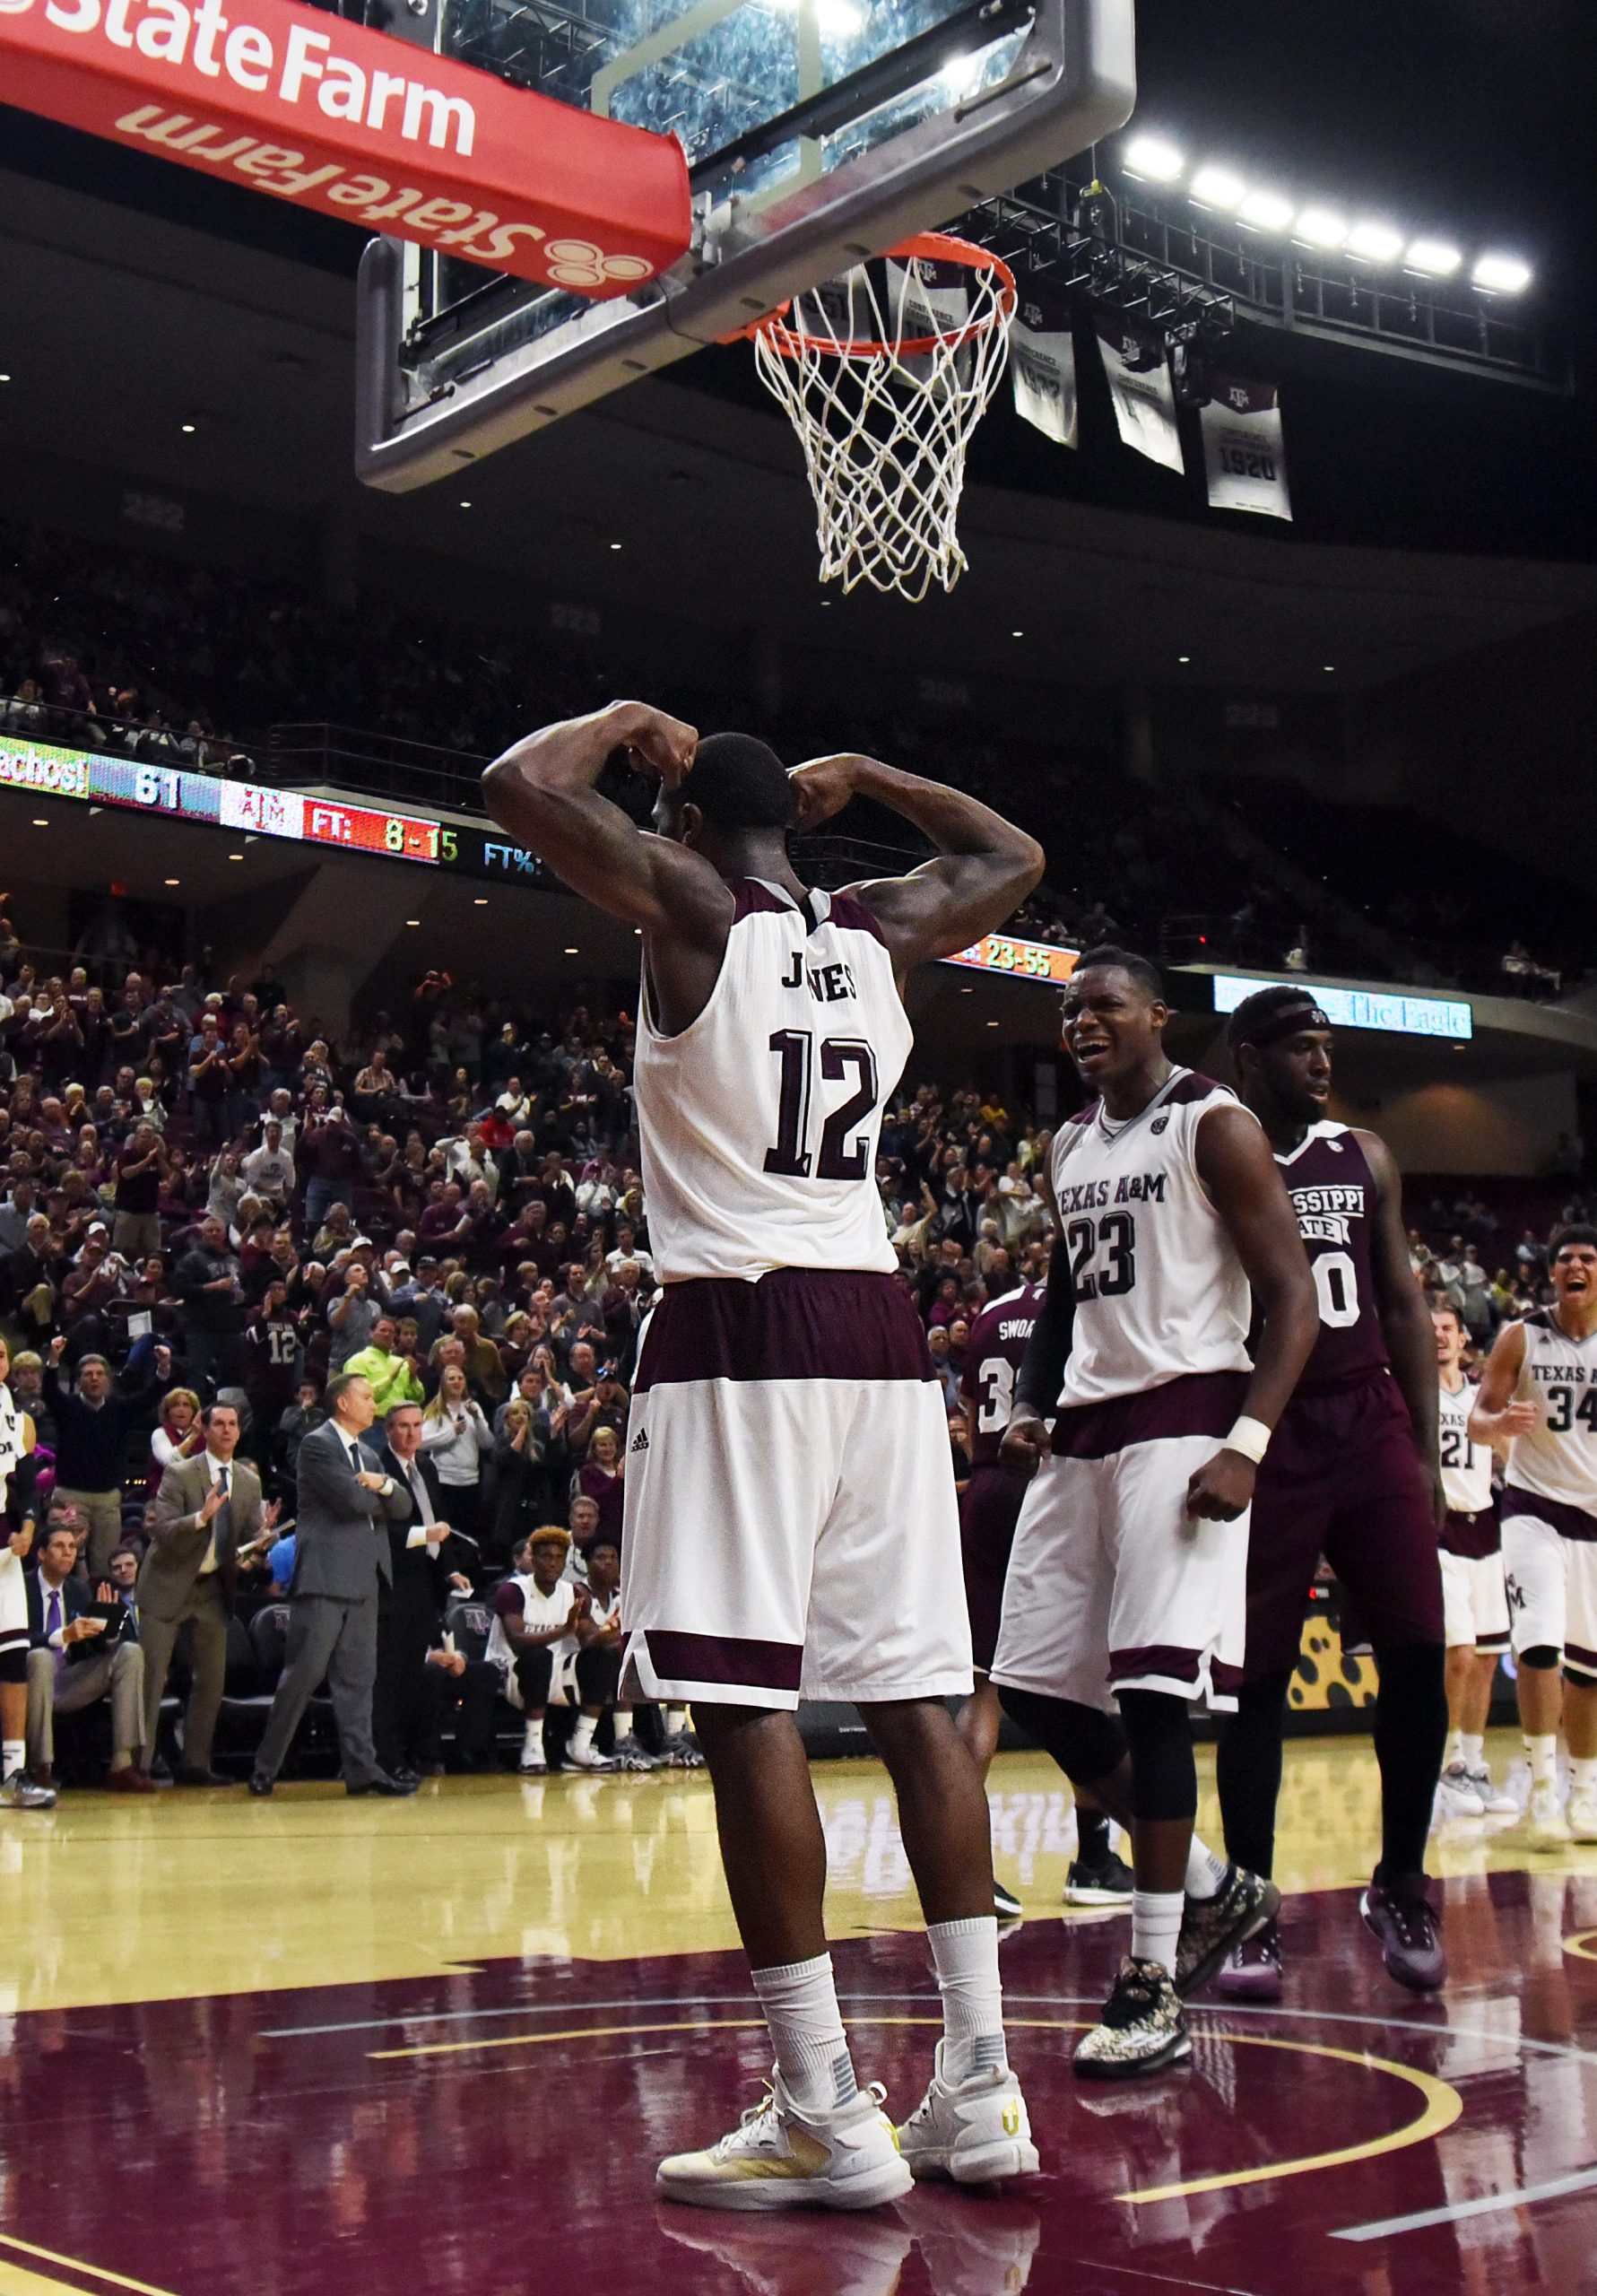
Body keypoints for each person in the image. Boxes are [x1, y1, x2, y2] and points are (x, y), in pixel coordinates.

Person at [486, 701, 1044, 2205]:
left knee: (744, 1708)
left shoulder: (689, 904)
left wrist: (623, 726)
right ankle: (979, 2091)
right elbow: (1010, 852)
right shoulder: (877, 931)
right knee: (923, 1699)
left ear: (680, 828)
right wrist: (868, 776)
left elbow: (517, 785)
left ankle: (819, 2104)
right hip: (880, 1332)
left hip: (741, 1329)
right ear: (792, 828)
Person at [991, 948, 1318, 2079]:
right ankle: (1208, 1886)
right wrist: (1030, 1398)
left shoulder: (1213, 1124)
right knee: (1034, 1685)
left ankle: (1149, 1977)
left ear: (1156, 1016)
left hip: (1186, 1418)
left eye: (1103, 1006)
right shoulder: (1068, 1143)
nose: (1081, 1022)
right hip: (1084, 1427)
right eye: (1068, 1009)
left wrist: (1248, 1442)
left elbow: (1292, 1298)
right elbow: (1067, 1289)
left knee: (1148, 1696)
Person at [1210, 987, 1449, 1999]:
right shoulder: (1212, 1152)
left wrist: (1428, 1455)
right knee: (1254, 1677)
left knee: (1416, 1650)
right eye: (1300, 1050)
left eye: (1325, 1048)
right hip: (1265, 1428)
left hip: (1366, 1418)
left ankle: (1398, 1878)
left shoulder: (1365, 1154)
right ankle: (1250, 1902)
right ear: (1247, 1059)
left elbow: (1398, 1299)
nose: (1320, 1065)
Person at [955, 1279, 1131, 1918]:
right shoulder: (1081, 1298)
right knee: (1088, 1687)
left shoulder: (990, 1312)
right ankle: (1093, 1859)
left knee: (983, 1689)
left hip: (987, 1485)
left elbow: (971, 1404)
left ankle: (963, 1872)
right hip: (1056, 1484)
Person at [1470, 1226, 1597, 1846]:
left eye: (1586, 1258)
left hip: (1592, 1519)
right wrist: (1501, 1421)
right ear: (1550, 1274)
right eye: (1564, 1259)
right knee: (1538, 1644)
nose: (1575, 1266)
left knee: (1587, 1669)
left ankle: (1585, 1791)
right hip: (1531, 1508)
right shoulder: (1519, 1335)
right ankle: (1542, 1789)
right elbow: (1476, 1421)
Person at [249, 1372, 417, 1797]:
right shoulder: (317, 1445)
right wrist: (378, 1494)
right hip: (325, 1579)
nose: (372, 1403)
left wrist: (382, 1485)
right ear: (342, 1403)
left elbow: (403, 1505)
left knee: (358, 1682)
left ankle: (362, 1771)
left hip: (364, 1581)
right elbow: (353, 1503)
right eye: (365, 1396)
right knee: (301, 1678)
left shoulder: (371, 1457)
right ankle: (265, 1768)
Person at [142, 1399, 276, 1786]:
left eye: (233, 1424)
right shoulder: (180, 1473)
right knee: (152, 1678)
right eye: (219, 1423)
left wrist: (262, 1540)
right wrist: (202, 1517)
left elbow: (248, 1542)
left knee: (212, 1680)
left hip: (212, 1589)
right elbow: (163, 1532)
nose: (228, 1430)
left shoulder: (249, 1482)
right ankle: (140, 1766)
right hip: (167, 1584)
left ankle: (194, 1765)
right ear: (205, 1428)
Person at [1431, 1302, 1517, 1819]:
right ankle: (1441, 1765)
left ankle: (1470, 1764)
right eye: (1431, 1331)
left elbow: (1507, 1453)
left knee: (1486, 1658)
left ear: (1464, 1339)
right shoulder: (1413, 1389)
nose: (1439, 1337)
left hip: (1485, 1523)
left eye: (1446, 1329)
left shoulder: (1484, 1398)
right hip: (1437, 1527)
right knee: (1458, 1653)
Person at [374, 1400, 473, 1781]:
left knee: (416, 1675)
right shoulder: (379, 1467)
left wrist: (450, 1569)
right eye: (403, 1426)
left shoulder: (427, 1466)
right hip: (391, 1582)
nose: (412, 1433)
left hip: (423, 1583)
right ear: (388, 1430)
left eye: (417, 1425)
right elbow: (379, 1529)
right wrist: (423, 1537)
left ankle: (416, 1753)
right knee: (391, 1675)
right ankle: (387, 1755)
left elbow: (437, 1520)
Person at [25, 1523, 152, 1793]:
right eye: (59, 1546)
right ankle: (40, 1767)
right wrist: (62, 1635)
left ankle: (122, 1765)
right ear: (41, 1554)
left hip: (72, 1680)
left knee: (130, 1652)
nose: (68, 1553)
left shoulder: (80, 1590)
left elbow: (92, 1648)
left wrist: (108, 1630)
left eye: (72, 1547)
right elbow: (15, 1639)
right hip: (28, 1682)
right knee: (40, 1657)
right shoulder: (19, 1588)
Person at [43, 1340, 154, 1573]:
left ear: (108, 1380)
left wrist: (163, 1370)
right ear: (79, 1380)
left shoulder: (119, 1408)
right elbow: (50, 1392)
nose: (94, 1378)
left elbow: (149, 1398)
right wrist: (54, 1359)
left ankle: (103, 1607)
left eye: (99, 1373)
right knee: (66, 1561)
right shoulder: (67, 1407)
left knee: (106, 1566)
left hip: (107, 1500)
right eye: (87, 1374)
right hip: (72, 1497)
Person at [0, 1334, 55, 1808]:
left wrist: (30, 1525)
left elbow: (27, 1486)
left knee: (14, 1657)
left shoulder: (20, 1421)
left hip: (4, 1545)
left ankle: (14, 1773)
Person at [483, 1527, 585, 1774]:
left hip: (554, 1671)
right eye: (546, 1556)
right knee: (539, 1656)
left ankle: (581, 1745)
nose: (552, 1563)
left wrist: (610, 1630)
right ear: (533, 1559)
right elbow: (517, 1641)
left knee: (597, 1659)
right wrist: (562, 1631)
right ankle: (532, 1747)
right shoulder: (512, 1590)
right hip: (510, 1669)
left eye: (558, 1557)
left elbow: (586, 1640)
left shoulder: (571, 1592)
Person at [571, 1535, 654, 1770]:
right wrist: (617, 1633)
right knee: (614, 1654)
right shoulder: (579, 1593)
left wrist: (616, 1635)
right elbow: (588, 1641)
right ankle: (617, 1739)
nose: (608, 1562)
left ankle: (636, 1738)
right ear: (587, 1563)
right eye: (600, 1557)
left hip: (605, 1664)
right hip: (574, 1663)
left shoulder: (621, 1596)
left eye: (613, 1557)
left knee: (634, 1656)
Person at [418, 1364, 492, 1544]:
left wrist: (477, 1419)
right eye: (451, 1378)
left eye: (460, 1378)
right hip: (445, 1481)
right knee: (447, 1533)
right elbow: (421, 1443)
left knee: (469, 1533)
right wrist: (452, 1432)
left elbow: (487, 1443)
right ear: (444, 1383)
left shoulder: (473, 1407)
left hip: (471, 1481)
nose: (456, 1382)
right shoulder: (435, 1410)